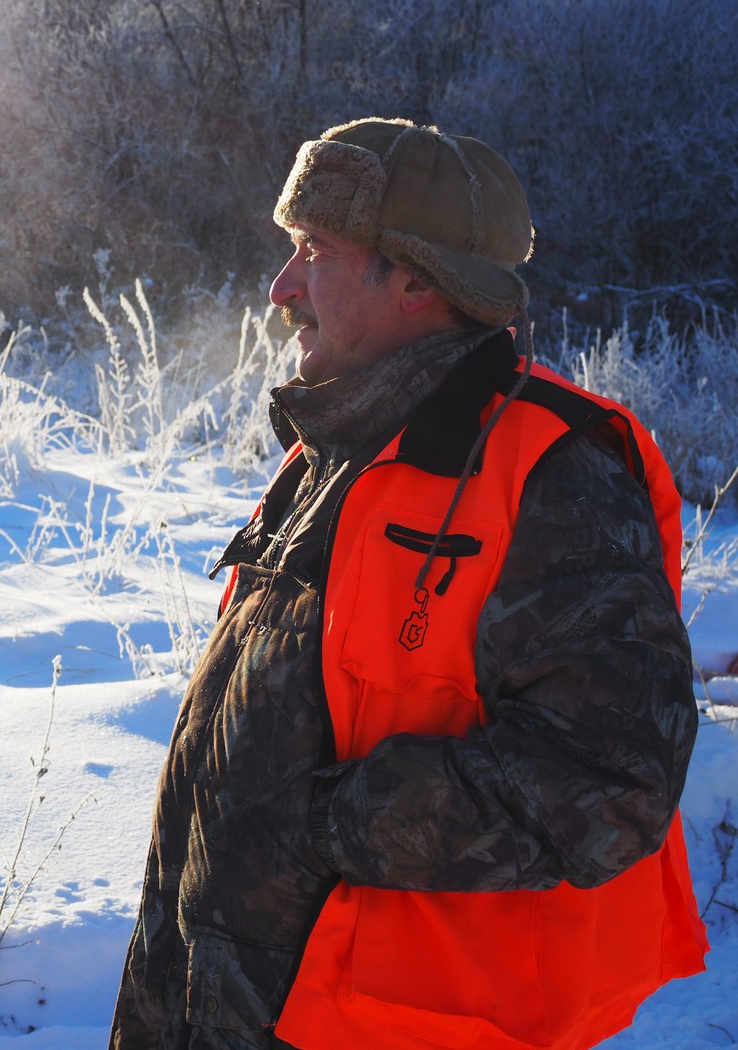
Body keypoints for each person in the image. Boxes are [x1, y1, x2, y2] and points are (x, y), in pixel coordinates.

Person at [110, 117, 709, 1050]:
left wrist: (319, 823)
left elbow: (610, 775)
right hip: (223, 1001)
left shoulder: (553, 473)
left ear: (420, 282)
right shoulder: (341, 446)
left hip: (387, 1022)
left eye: (316, 251)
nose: (282, 288)